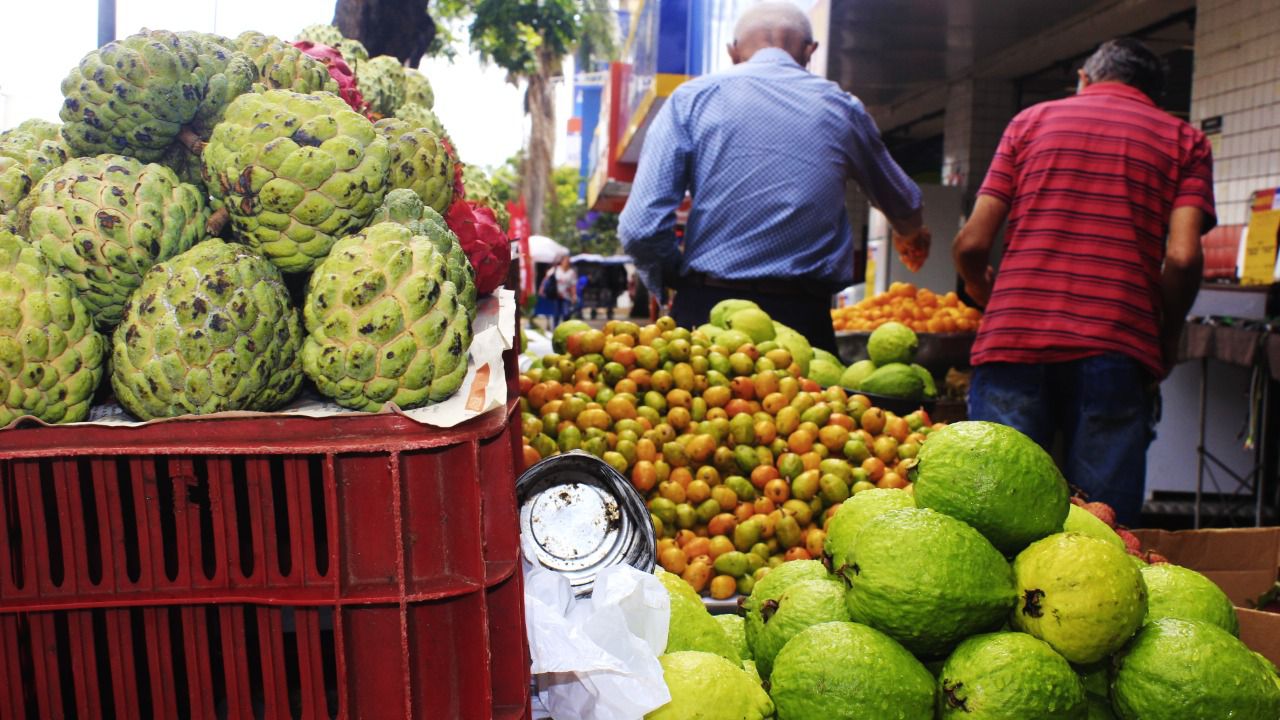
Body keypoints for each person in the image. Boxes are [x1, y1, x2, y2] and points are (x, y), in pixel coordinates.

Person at [952, 38, 1215, 526]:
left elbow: (971, 245)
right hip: (1116, 342)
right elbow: (1181, 256)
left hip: (1014, 342)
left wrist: (991, 298)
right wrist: (1168, 334)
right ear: (1153, 94)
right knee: (1102, 526)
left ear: (1084, 78)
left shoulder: (1029, 123)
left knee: (990, 515)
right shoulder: (1184, 141)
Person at [618, 1, 930, 354]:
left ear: (733, 52)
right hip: (802, 320)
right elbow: (905, 204)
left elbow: (640, 228)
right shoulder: (842, 108)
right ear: (809, 52)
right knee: (804, 410)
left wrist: (678, 278)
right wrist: (911, 234)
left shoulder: (691, 99)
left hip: (708, 315)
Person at [541, 256, 578, 328]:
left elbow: (573, 285)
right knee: (556, 314)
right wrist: (542, 289)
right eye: (565, 261)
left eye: (568, 261)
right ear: (561, 261)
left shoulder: (571, 272)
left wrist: (574, 295)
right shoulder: (555, 269)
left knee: (566, 313)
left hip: (566, 296)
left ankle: (565, 327)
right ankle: (555, 328)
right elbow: (546, 278)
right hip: (556, 294)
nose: (567, 263)